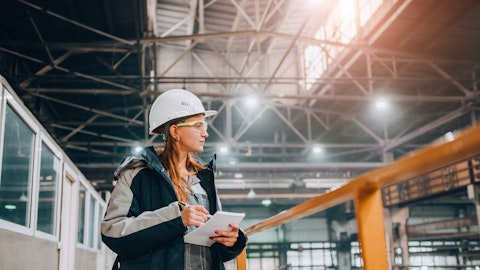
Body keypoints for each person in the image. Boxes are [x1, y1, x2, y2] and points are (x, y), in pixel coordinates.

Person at [101, 89, 247, 270]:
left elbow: (215, 250)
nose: (205, 134)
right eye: (198, 126)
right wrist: (175, 218)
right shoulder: (137, 175)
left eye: (205, 126)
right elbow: (113, 231)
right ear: (175, 131)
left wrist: (231, 240)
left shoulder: (204, 180)